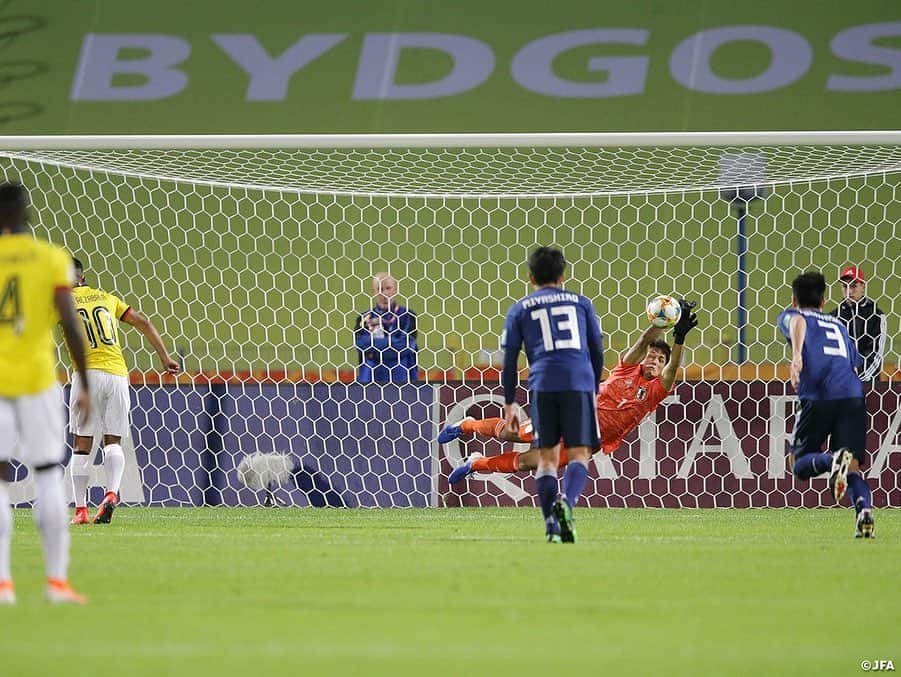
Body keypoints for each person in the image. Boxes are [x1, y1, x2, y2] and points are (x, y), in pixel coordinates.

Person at [440, 300, 698, 477]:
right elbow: (643, 341)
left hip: (591, 440)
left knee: (534, 463)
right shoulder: (626, 369)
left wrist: (680, 337)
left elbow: (673, 368)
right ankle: (467, 425)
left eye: (659, 359)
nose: (654, 360)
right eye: (652, 356)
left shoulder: (655, 390)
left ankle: (476, 463)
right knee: (513, 434)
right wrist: (661, 323)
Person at [0, 181, 89, 604]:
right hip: (38, 381)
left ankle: (3, 584)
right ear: (26, 215)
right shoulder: (51, 258)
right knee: (49, 473)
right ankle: (56, 582)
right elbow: (71, 324)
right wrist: (84, 382)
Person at [500, 247, 604, 543]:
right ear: (563, 275)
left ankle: (550, 526)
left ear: (530, 277)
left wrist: (509, 403)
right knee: (579, 453)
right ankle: (567, 504)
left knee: (547, 458)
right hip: (578, 382)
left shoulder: (519, 308)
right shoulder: (581, 304)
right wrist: (593, 387)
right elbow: (597, 349)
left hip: (543, 383)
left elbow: (509, 361)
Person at [67, 257, 180, 525]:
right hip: (118, 375)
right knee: (113, 441)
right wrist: (165, 358)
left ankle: (81, 511)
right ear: (82, 278)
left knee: (82, 445)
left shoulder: (60, 302)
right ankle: (111, 493)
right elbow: (144, 322)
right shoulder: (107, 298)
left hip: (87, 374)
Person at [778, 271, 874, 538]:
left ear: (794, 299)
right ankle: (864, 512)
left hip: (819, 394)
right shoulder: (839, 327)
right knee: (852, 468)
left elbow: (798, 321)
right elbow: (854, 364)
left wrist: (796, 356)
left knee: (797, 464)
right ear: (823, 301)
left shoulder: (793, 315)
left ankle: (832, 461)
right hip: (853, 396)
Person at [353, 272, 418, 383]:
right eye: (379, 289)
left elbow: (407, 345)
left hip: (402, 377)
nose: (383, 293)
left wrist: (375, 348)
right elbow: (360, 344)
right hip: (370, 378)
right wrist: (393, 343)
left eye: (388, 288)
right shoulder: (364, 318)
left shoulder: (408, 315)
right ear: (373, 291)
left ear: (396, 289)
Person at [829, 265, 887, 383]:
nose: (849, 291)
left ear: (863, 286)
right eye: (845, 286)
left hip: (869, 386)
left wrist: (858, 379)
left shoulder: (877, 316)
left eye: (854, 286)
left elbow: (876, 354)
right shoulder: (833, 318)